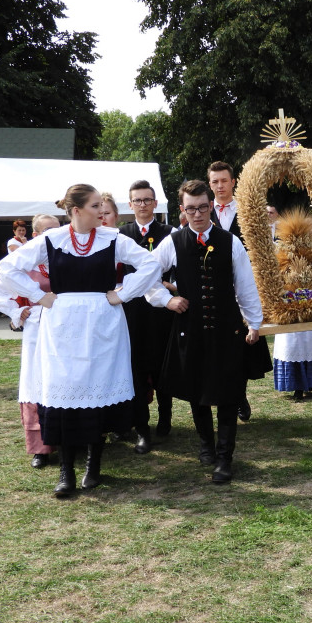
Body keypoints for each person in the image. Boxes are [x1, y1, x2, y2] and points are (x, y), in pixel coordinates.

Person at [0, 184, 160, 498]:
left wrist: (123, 293)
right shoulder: (52, 240)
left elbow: (151, 264)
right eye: (96, 205)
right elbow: (7, 268)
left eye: (102, 205)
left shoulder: (114, 239)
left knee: (96, 395)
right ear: (76, 210)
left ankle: (93, 467)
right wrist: (38, 295)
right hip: (63, 327)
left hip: (103, 326)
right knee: (65, 395)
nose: (102, 211)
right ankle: (66, 472)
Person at [146, 180, 263, 484]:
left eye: (202, 207)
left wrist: (254, 323)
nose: (197, 214)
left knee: (228, 392)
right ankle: (206, 445)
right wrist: (167, 300)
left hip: (227, 329)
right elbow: (146, 277)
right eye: (190, 208)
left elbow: (246, 286)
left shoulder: (231, 242)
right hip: (190, 329)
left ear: (211, 205)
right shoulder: (173, 242)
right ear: (182, 210)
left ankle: (225, 457)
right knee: (197, 391)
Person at [0, 214, 61, 468]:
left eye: (58, 229)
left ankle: (75, 439)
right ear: (35, 235)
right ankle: (41, 448)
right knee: (36, 379)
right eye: (47, 231)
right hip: (38, 326)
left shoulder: (67, 255)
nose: (54, 235)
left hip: (67, 329)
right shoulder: (23, 260)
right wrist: (16, 312)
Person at [209, 160, 272, 421]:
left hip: (243, 286)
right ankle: (223, 394)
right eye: (215, 181)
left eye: (224, 180)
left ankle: (239, 395)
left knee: (242, 345)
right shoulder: (201, 211)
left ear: (233, 182)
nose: (220, 186)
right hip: (212, 289)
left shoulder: (248, 211)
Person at [119, 179, 176, 452]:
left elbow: (179, 268)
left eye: (147, 200)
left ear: (155, 203)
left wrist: (172, 285)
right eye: (137, 200)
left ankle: (166, 418)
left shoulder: (170, 232)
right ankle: (143, 428)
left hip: (161, 310)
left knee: (163, 366)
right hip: (131, 312)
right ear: (130, 205)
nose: (142, 205)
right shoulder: (120, 234)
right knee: (137, 368)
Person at [270, 209, 312, 400]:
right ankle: (297, 384)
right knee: (293, 345)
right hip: (290, 305)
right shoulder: (282, 255)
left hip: (311, 301)